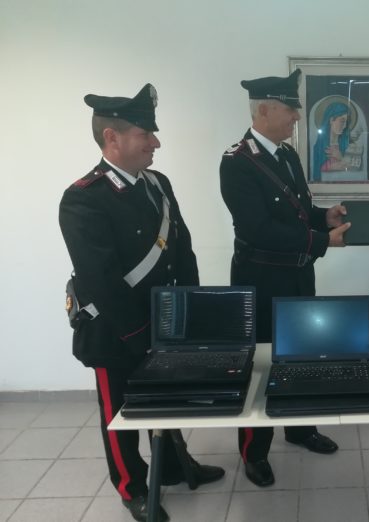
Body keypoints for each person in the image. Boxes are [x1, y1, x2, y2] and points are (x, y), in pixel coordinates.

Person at [59, 84, 224, 522]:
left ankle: (173, 466)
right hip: (116, 331)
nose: (156, 142)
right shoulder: (83, 198)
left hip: (163, 322)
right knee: (119, 415)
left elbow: (182, 250)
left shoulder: (157, 183)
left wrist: (189, 309)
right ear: (111, 137)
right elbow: (102, 282)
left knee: (165, 399)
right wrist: (142, 337)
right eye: (144, 134)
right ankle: (131, 487)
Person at [219, 69, 351, 488]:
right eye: (290, 109)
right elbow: (258, 229)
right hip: (261, 279)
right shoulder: (236, 163)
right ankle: (254, 451)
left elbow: (298, 212)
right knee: (260, 365)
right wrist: (322, 240)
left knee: (302, 354)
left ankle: (300, 428)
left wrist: (323, 218)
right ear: (263, 110)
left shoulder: (287, 154)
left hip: (298, 274)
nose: (297, 116)